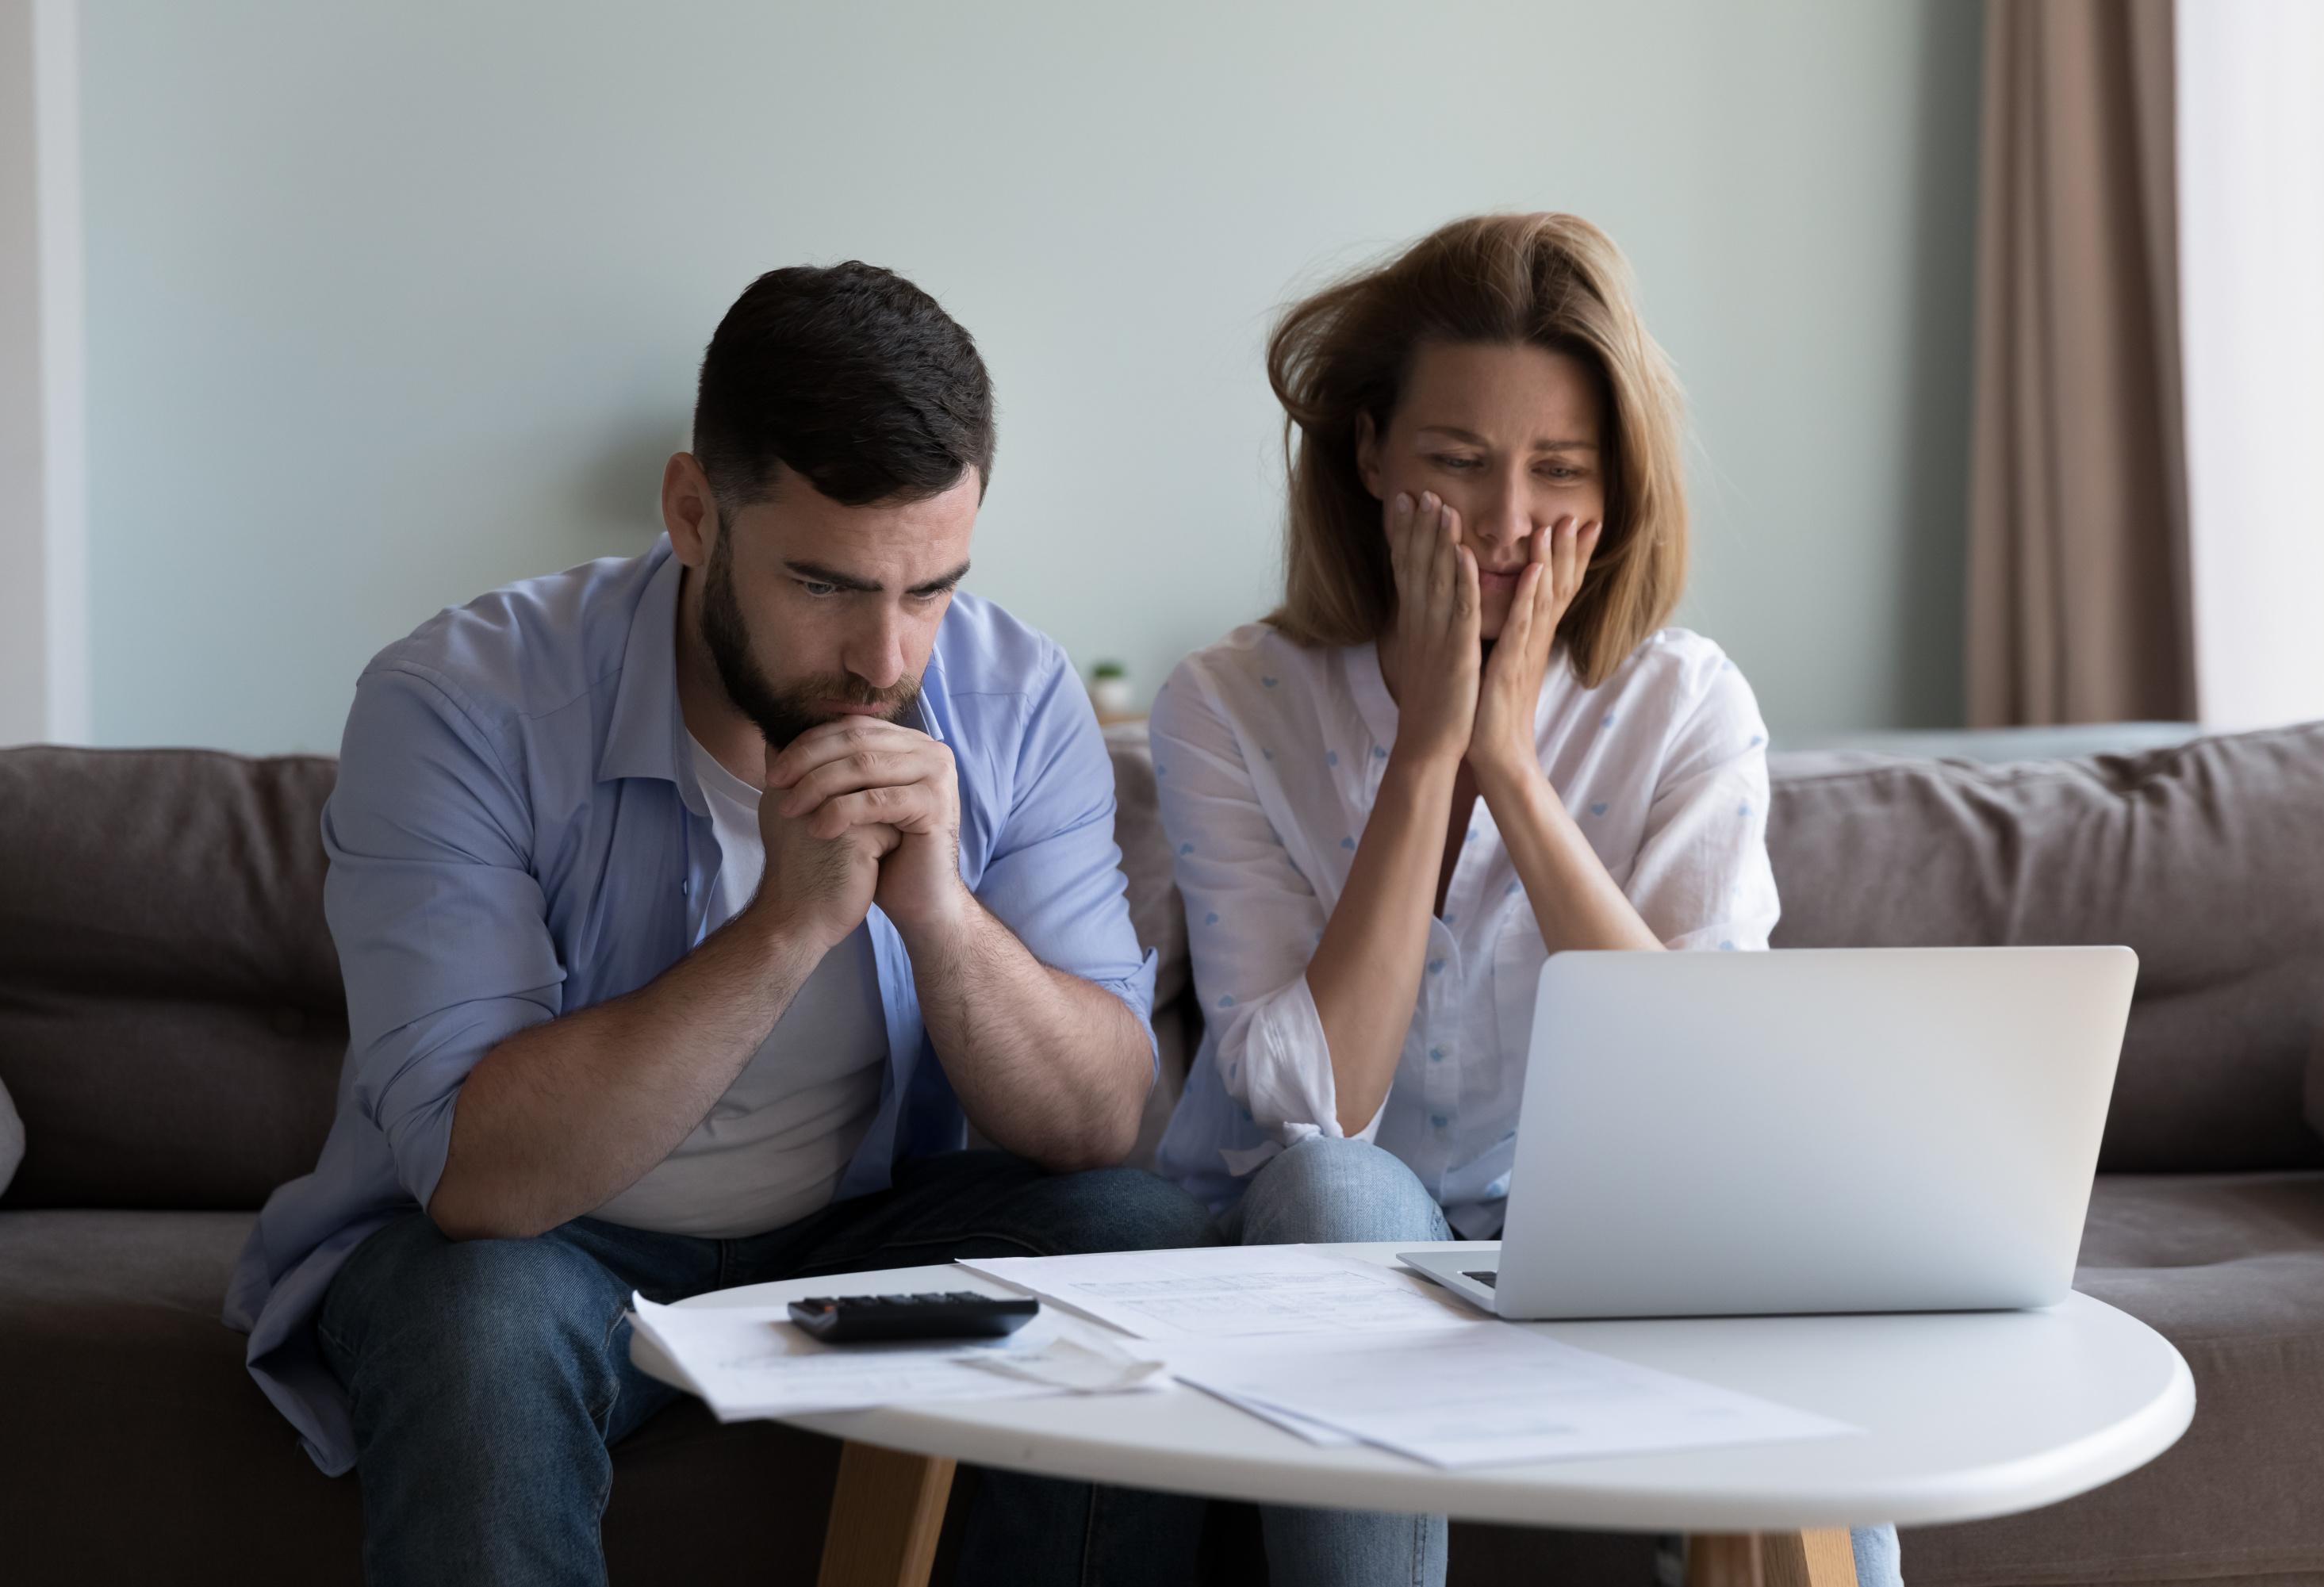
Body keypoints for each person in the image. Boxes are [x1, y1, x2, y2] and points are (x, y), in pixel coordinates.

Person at [224, 262, 1215, 1585]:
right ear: (694, 511)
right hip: (545, 1251)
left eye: (929, 590)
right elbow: (484, 1178)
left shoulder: (1016, 697)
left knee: (1136, 1239)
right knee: (473, 1320)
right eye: (828, 585)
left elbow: (1099, 1125)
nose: (887, 659)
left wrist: (936, 909)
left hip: (857, 1229)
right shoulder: (458, 704)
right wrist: (786, 929)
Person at [1150, 213, 1901, 1586]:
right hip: (1318, 1228)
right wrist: (1429, 752)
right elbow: (1314, 1099)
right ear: (1370, 452)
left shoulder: (1684, 704)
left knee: (1786, 1245)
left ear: (1616, 489)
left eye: (1558, 471)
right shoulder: (1230, 703)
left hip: (1594, 1220)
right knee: (1336, 1183)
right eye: (1457, 463)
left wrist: (1513, 764)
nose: (1506, 528)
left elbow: (1705, 1091)